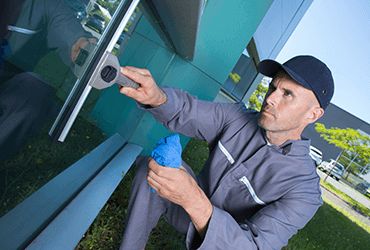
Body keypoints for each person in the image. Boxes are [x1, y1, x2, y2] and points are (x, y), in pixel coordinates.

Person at [117, 55, 334, 250]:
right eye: (272, 88)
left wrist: (193, 198)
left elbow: (254, 247)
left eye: (287, 94)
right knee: (153, 169)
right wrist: (156, 97)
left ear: (313, 114)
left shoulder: (304, 190)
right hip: (183, 210)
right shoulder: (237, 117)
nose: (270, 99)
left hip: (226, 243)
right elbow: (187, 111)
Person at [0, 0, 96, 160]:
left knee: (35, 89)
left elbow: (68, 29)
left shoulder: (45, 5)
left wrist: (83, 45)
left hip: (5, 85)